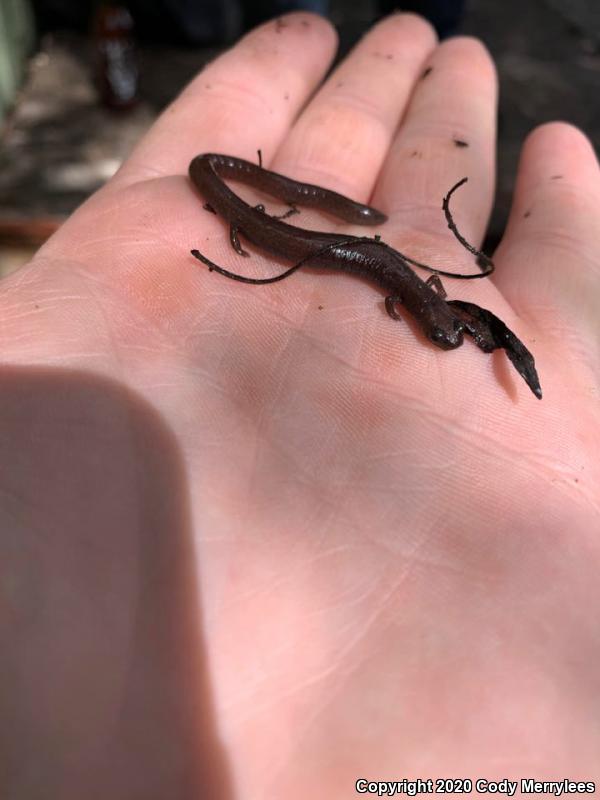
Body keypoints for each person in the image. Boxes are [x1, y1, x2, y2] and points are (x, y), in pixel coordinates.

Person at [2, 12, 599, 797]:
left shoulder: (413, 294)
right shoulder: (407, 290)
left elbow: (403, 289)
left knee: (331, 239)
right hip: (294, 229)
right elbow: (399, 287)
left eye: (438, 325)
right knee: (290, 224)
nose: (440, 332)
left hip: (323, 239)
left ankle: (298, 212)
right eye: (436, 325)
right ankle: (292, 211)